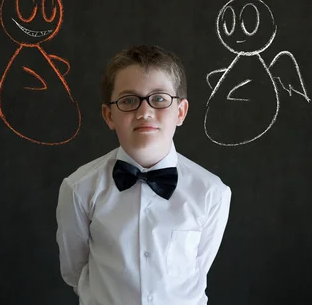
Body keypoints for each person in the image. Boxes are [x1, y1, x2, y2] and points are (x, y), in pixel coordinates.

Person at [56, 45, 231, 305]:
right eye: (128, 100)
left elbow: (199, 266)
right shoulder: (79, 188)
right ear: (109, 115)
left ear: (180, 112)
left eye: (159, 98)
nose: (144, 112)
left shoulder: (211, 192)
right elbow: (75, 270)